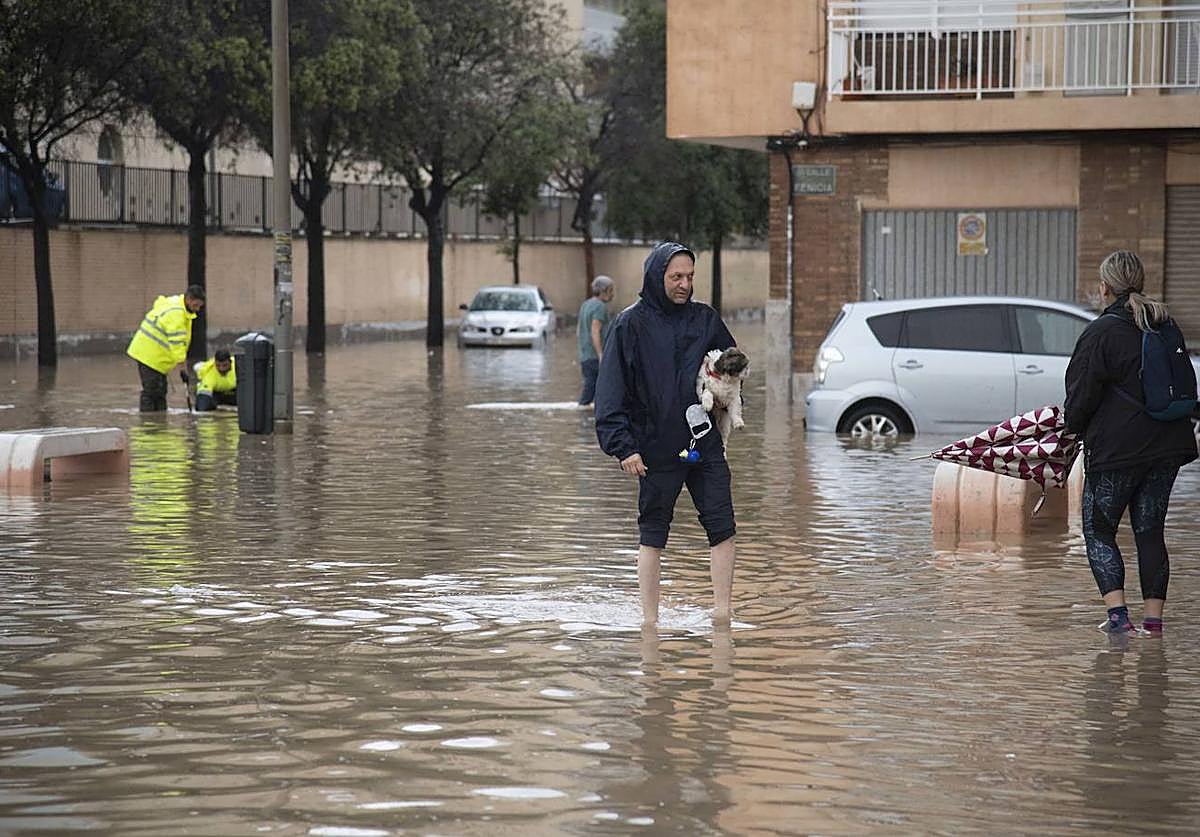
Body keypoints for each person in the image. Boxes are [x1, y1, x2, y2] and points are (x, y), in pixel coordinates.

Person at [595, 242, 738, 626]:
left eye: (690, 277)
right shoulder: (629, 325)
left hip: (704, 444)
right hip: (654, 447)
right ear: (657, 277)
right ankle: (649, 623)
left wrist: (730, 376)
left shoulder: (705, 320)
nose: (684, 284)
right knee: (653, 533)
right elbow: (609, 393)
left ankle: (723, 618)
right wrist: (624, 448)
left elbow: (730, 366)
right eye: (676, 277)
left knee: (723, 526)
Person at [1064, 250, 1197, 636]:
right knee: (1150, 529)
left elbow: (1080, 397)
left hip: (1118, 451)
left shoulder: (1100, 332)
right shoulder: (1164, 322)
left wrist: (1071, 429)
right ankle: (1154, 624)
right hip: (1168, 445)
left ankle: (1119, 619)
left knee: (1099, 529)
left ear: (1104, 287)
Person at [126, 285, 205, 412]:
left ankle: (160, 419)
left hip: (153, 355)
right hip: (149, 355)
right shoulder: (177, 315)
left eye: (200, 306)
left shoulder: (177, 303)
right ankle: (149, 422)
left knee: (161, 390)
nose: (197, 309)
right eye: (196, 305)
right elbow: (177, 342)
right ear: (189, 299)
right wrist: (182, 368)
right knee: (151, 391)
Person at [577, 275, 615, 407]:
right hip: (595, 356)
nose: (612, 294)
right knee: (597, 388)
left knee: (591, 386)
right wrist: (601, 354)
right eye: (611, 290)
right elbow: (595, 330)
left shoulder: (586, 304)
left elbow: (580, 329)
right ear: (603, 291)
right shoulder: (599, 307)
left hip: (585, 354)